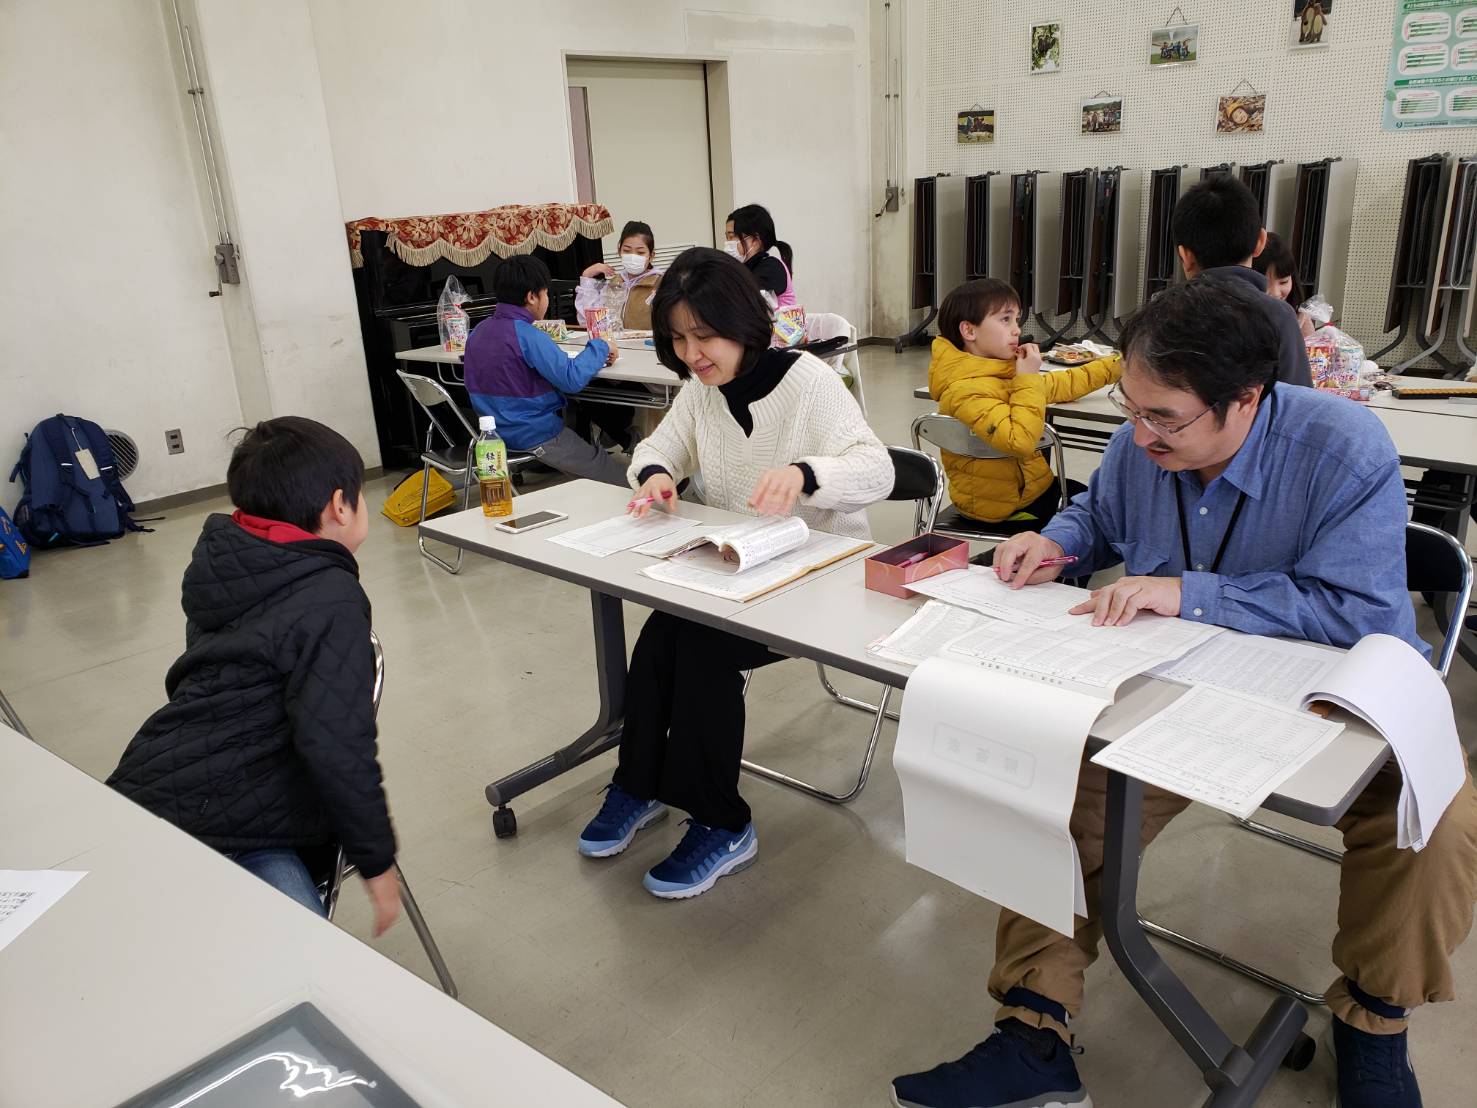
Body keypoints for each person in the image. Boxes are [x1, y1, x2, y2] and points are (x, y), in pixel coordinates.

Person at [891, 278, 1477, 1108]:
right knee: (1051, 791)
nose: (1140, 435)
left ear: (1247, 399)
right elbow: (1099, 516)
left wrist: (1189, 593)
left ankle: (1373, 1020)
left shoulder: (1341, 448)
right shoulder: (1147, 434)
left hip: (1333, 691)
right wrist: (1055, 543)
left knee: (1438, 824)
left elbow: (1355, 613)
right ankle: (1034, 1027)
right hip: (1180, 683)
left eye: (1164, 419)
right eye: (1130, 410)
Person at [576, 247, 892, 899]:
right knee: (662, 633)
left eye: (704, 335)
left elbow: (878, 469)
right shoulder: (703, 390)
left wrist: (806, 474)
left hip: (817, 578)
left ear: (742, 322)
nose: (692, 353)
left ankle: (723, 822)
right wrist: (656, 475)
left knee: (701, 649)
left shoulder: (807, 381)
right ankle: (638, 783)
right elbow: (657, 448)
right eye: (678, 339)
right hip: (739, 573)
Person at [107, 417, 402, 936]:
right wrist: (376, 861)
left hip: (141, 788)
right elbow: (336, 745)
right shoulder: (331, 599)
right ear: (340, 506)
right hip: (235, 827)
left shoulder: (225, 564)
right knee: (314, 965)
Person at [929, 278, 1120, 532]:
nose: (1016, 330)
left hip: (1023, 490)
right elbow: (1020, 441)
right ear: (969, 331)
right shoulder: (964, 390)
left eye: (1016, 320)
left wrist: (1118, 365)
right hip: (1003, 507)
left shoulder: (997, 373)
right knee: (1101, 514)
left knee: (1098, 501)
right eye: (1005, 319)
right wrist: (1027, 378)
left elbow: (1061, 383)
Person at [463, 254, 627, 486]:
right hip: (534, 434)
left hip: (493, 434)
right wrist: (601, 346)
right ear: (532, 297)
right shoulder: (528, 335)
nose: (547, 299)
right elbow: (571, 379)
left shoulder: (478, 332)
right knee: (616, 478)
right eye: (546, 293)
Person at [1171, 176, 1312, 387]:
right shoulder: (1278, 315)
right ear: (1260, 242)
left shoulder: (1161, 314)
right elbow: (1297, 397)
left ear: (1184, 255)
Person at [580, 219, 664, 331]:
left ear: (651, 256)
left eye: (640, 252)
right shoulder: (614, 283)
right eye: (627, 251)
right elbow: (591, 321)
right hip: (616, 341)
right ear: (619, 251)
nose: (633, 256)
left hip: (647, 342)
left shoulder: (661, 284)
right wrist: (587, 276)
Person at [724, 204, 797, 306]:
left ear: (755, 241)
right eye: (727, 237)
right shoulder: (746, 267)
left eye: (732, 236)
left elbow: (739, 298)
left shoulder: (771, 267)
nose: (728, 243)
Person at [1252, 231, 1315, 337]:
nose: (1275, 293)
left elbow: (1310, 345)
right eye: (1265, 284)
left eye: (1283, 282)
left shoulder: (1300, 318)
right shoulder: (1239, 317)